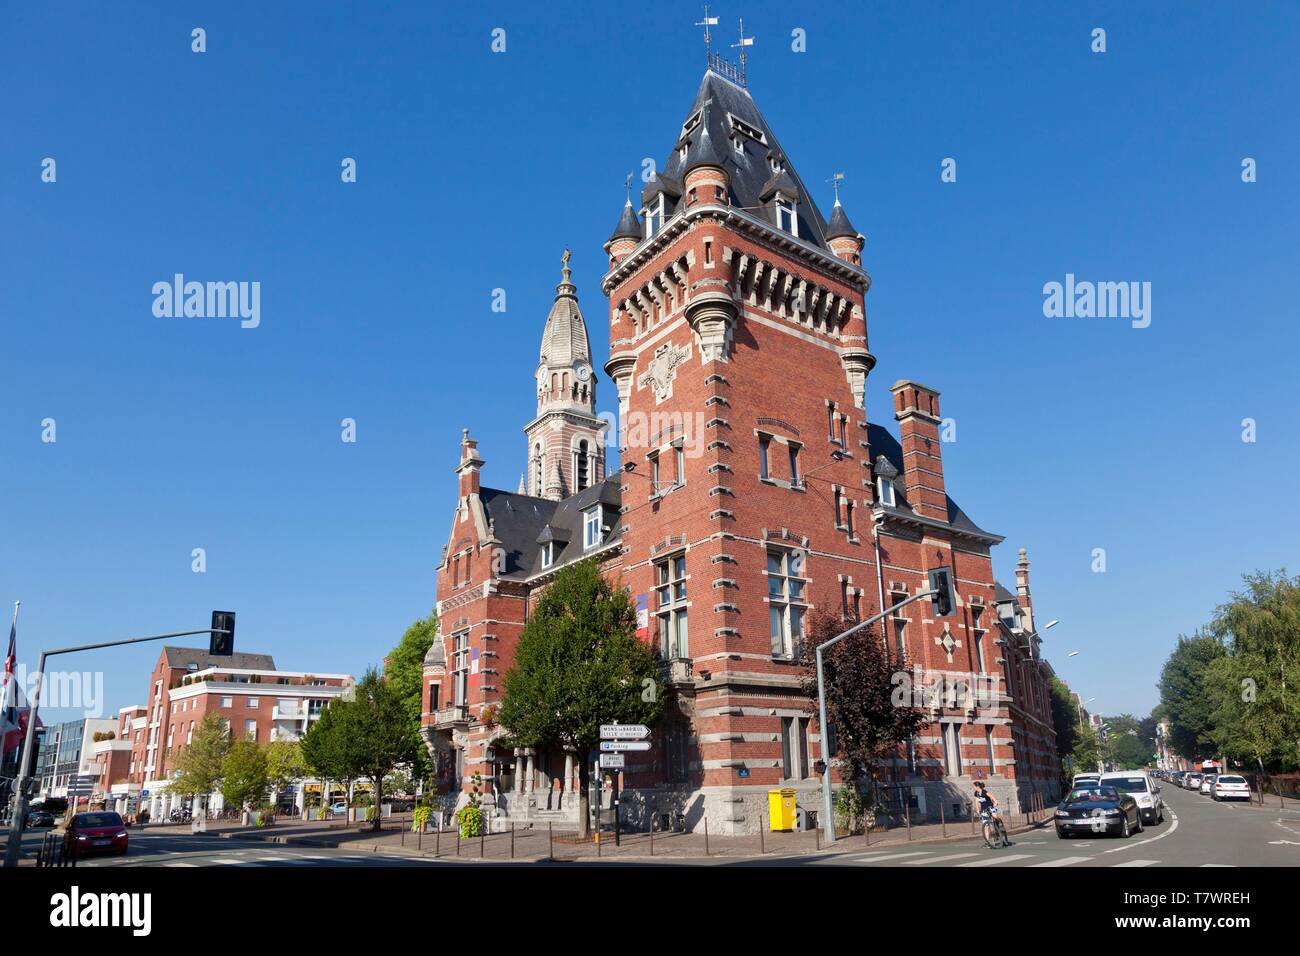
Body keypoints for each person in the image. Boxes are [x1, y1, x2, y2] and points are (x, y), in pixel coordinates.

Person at [973, 781, 1008, 848]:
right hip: (984, 810)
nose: (973, 787)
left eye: (974, 786)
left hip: (990, 807)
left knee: (995, 817)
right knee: (986, 826)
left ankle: (999, 826)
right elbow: (976, 802)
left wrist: (995, 802)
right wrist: (977, 809)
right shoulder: (976, 793)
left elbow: (992, 796)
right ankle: (987, 842)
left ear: (977, 786)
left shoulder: (984, 792)